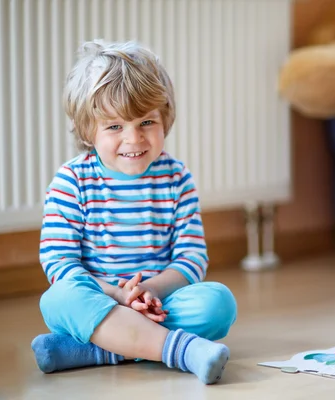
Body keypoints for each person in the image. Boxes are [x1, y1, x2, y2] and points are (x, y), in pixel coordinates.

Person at [30, 39, 237, 385]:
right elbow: (60, 265)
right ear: (87, 129)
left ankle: (98, 350)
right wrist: (117, 295)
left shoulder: (176, 178)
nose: (133, 139)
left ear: (164, 119)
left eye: (146, 122)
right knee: (58, 299)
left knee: (218, 304)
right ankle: (182, 350)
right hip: (98, 300)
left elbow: (192, 257)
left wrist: (151, 292)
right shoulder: (71, 181)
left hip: (159, 302)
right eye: (114, 126)